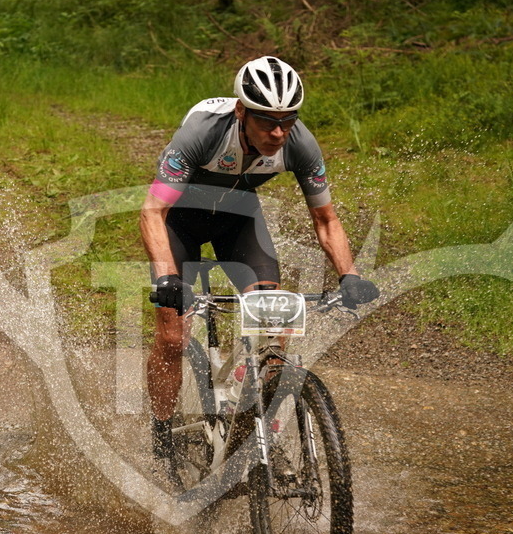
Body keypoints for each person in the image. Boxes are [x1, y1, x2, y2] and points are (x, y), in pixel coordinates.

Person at [140, 56, 376, 477]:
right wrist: (166, 277)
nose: (278, 132)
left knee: (274, 325)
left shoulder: (300, 143)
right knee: (173, 336)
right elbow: (153, 211)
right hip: (181, 220)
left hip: (239, 221)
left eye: (288, 120)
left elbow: (326, 220)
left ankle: (255, 435)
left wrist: (349, 275)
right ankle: (161, 437)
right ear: (241, 112)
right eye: (267, 121)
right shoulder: (202, 132)